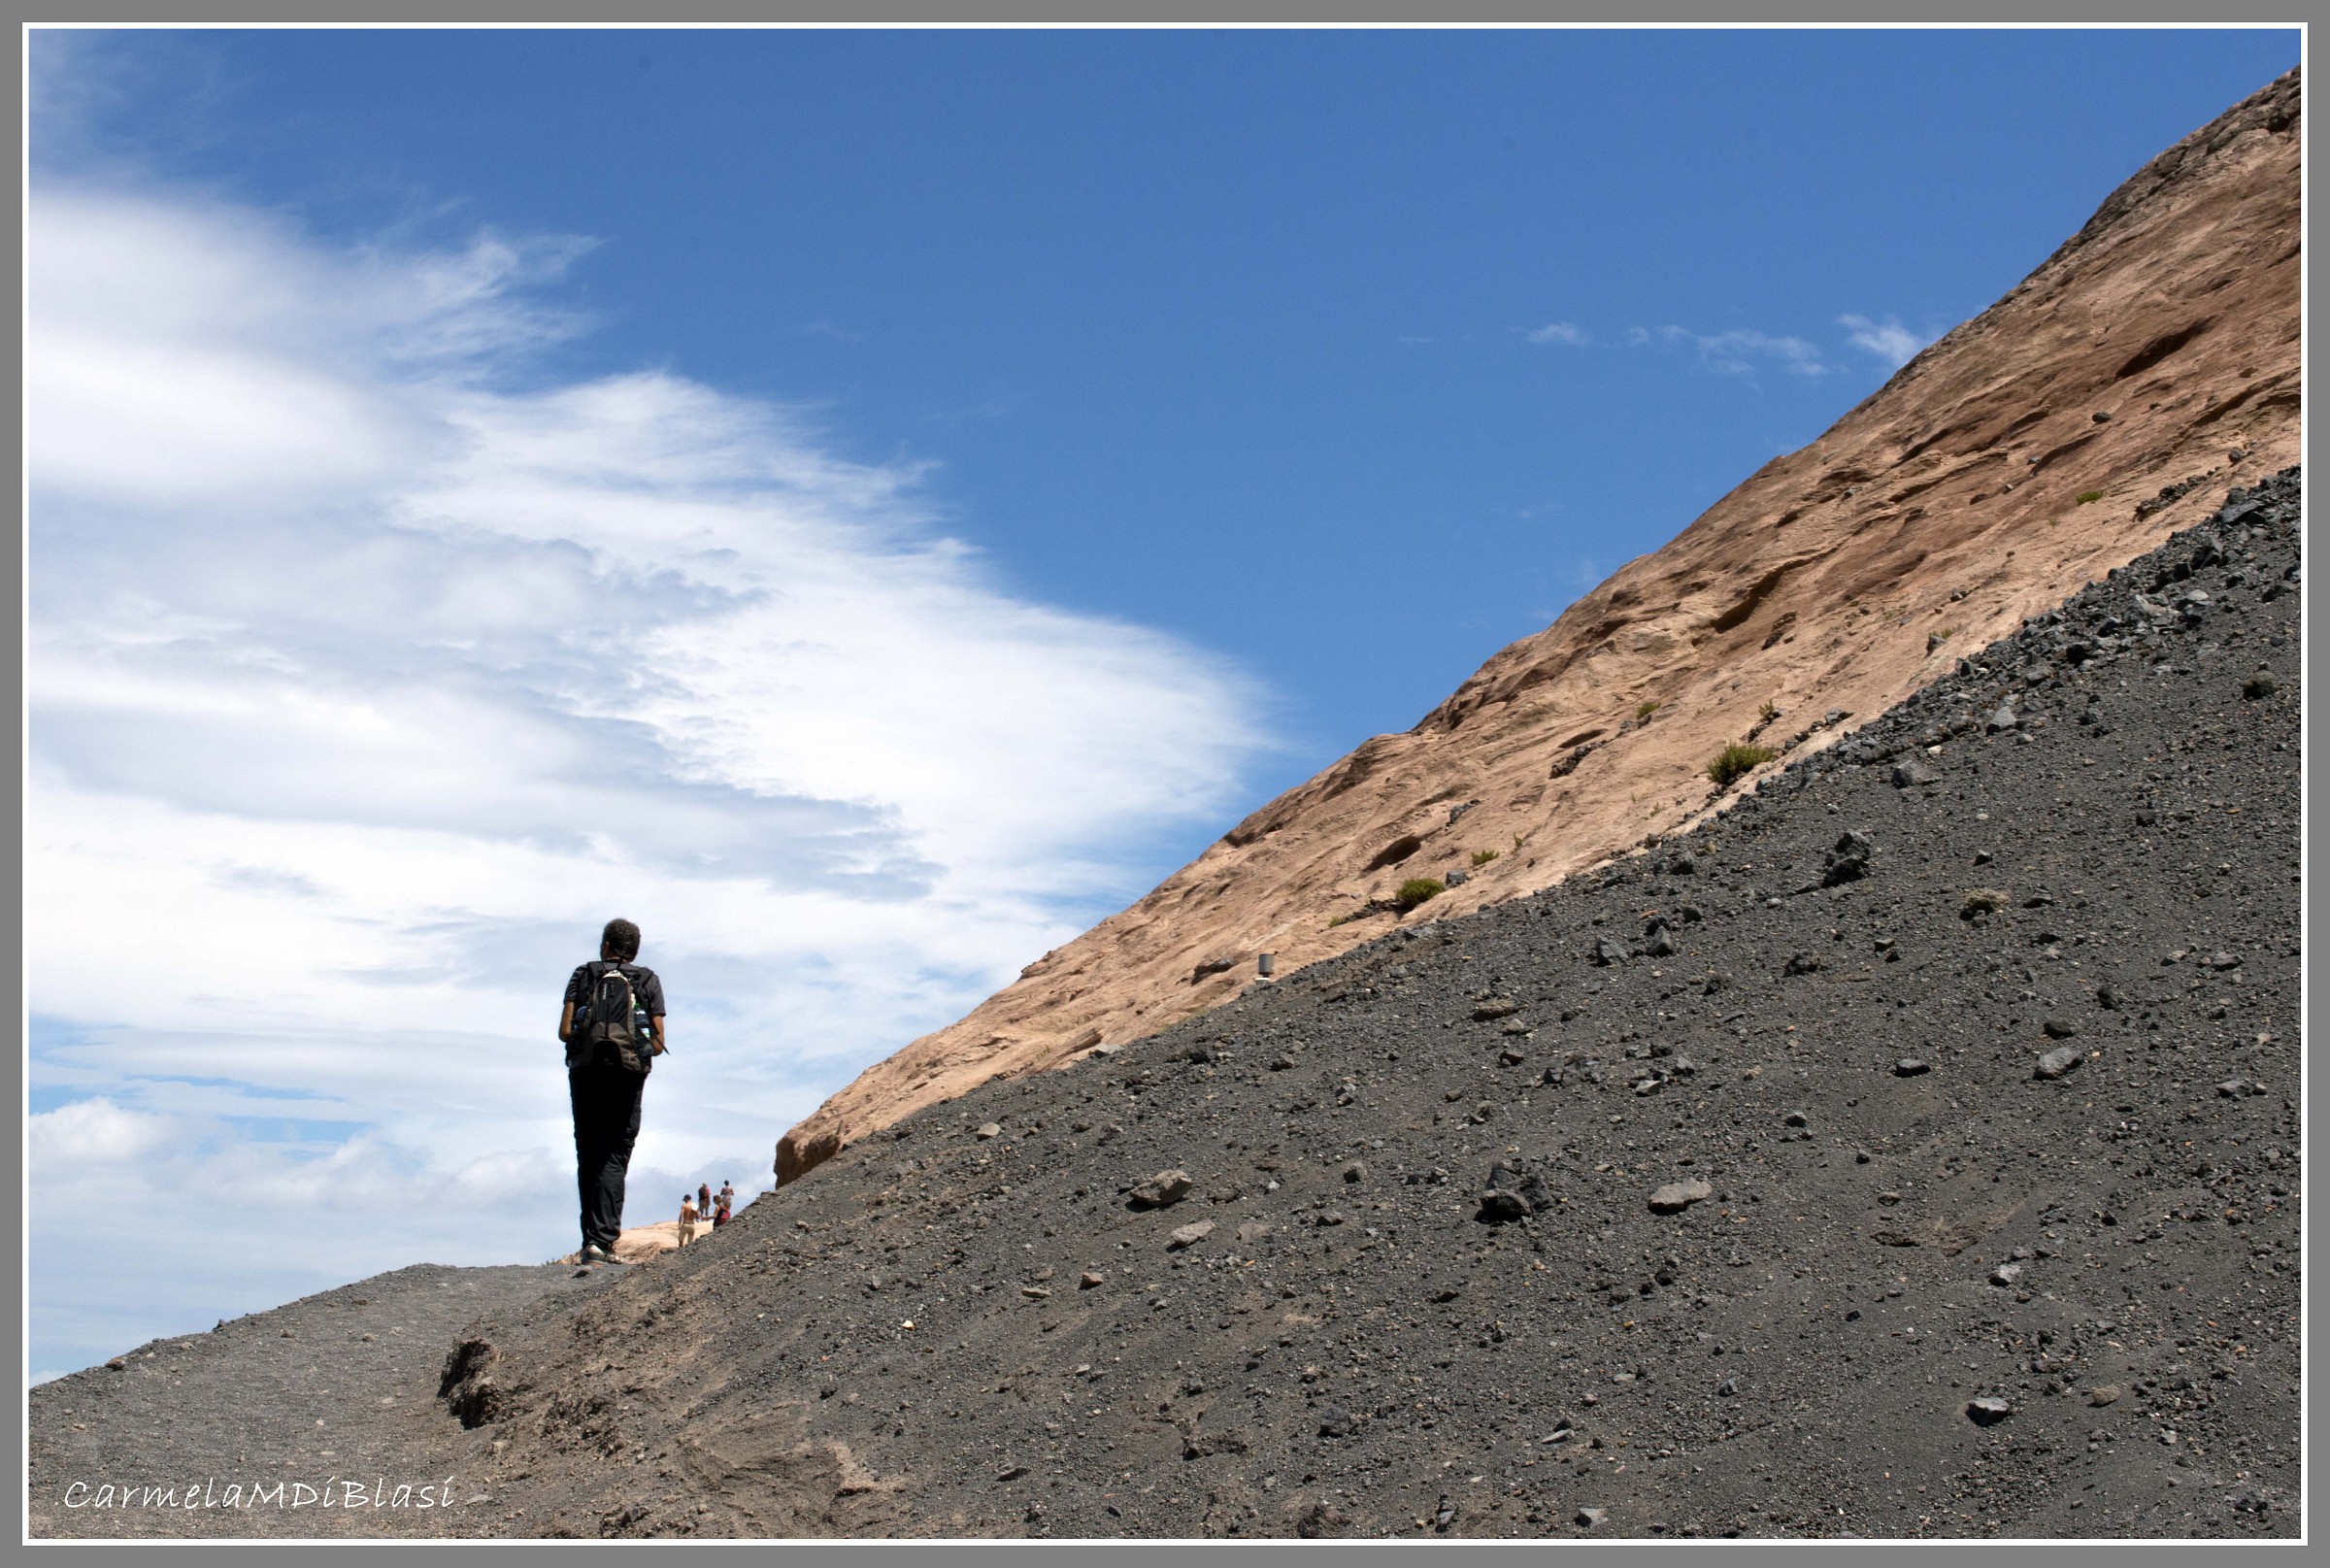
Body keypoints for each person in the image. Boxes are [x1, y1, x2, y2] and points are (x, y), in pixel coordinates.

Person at [559, 917, 667, 1266]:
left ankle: (589, 1241)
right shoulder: (647, 979)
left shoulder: (583, 974)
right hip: (627, 1075)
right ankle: (604, 1242)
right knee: (615, 1153)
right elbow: (658, 1038)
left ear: (606, 945)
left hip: (586, 1071)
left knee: (588, 1151)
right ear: (634, 950)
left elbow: (564, 1031)